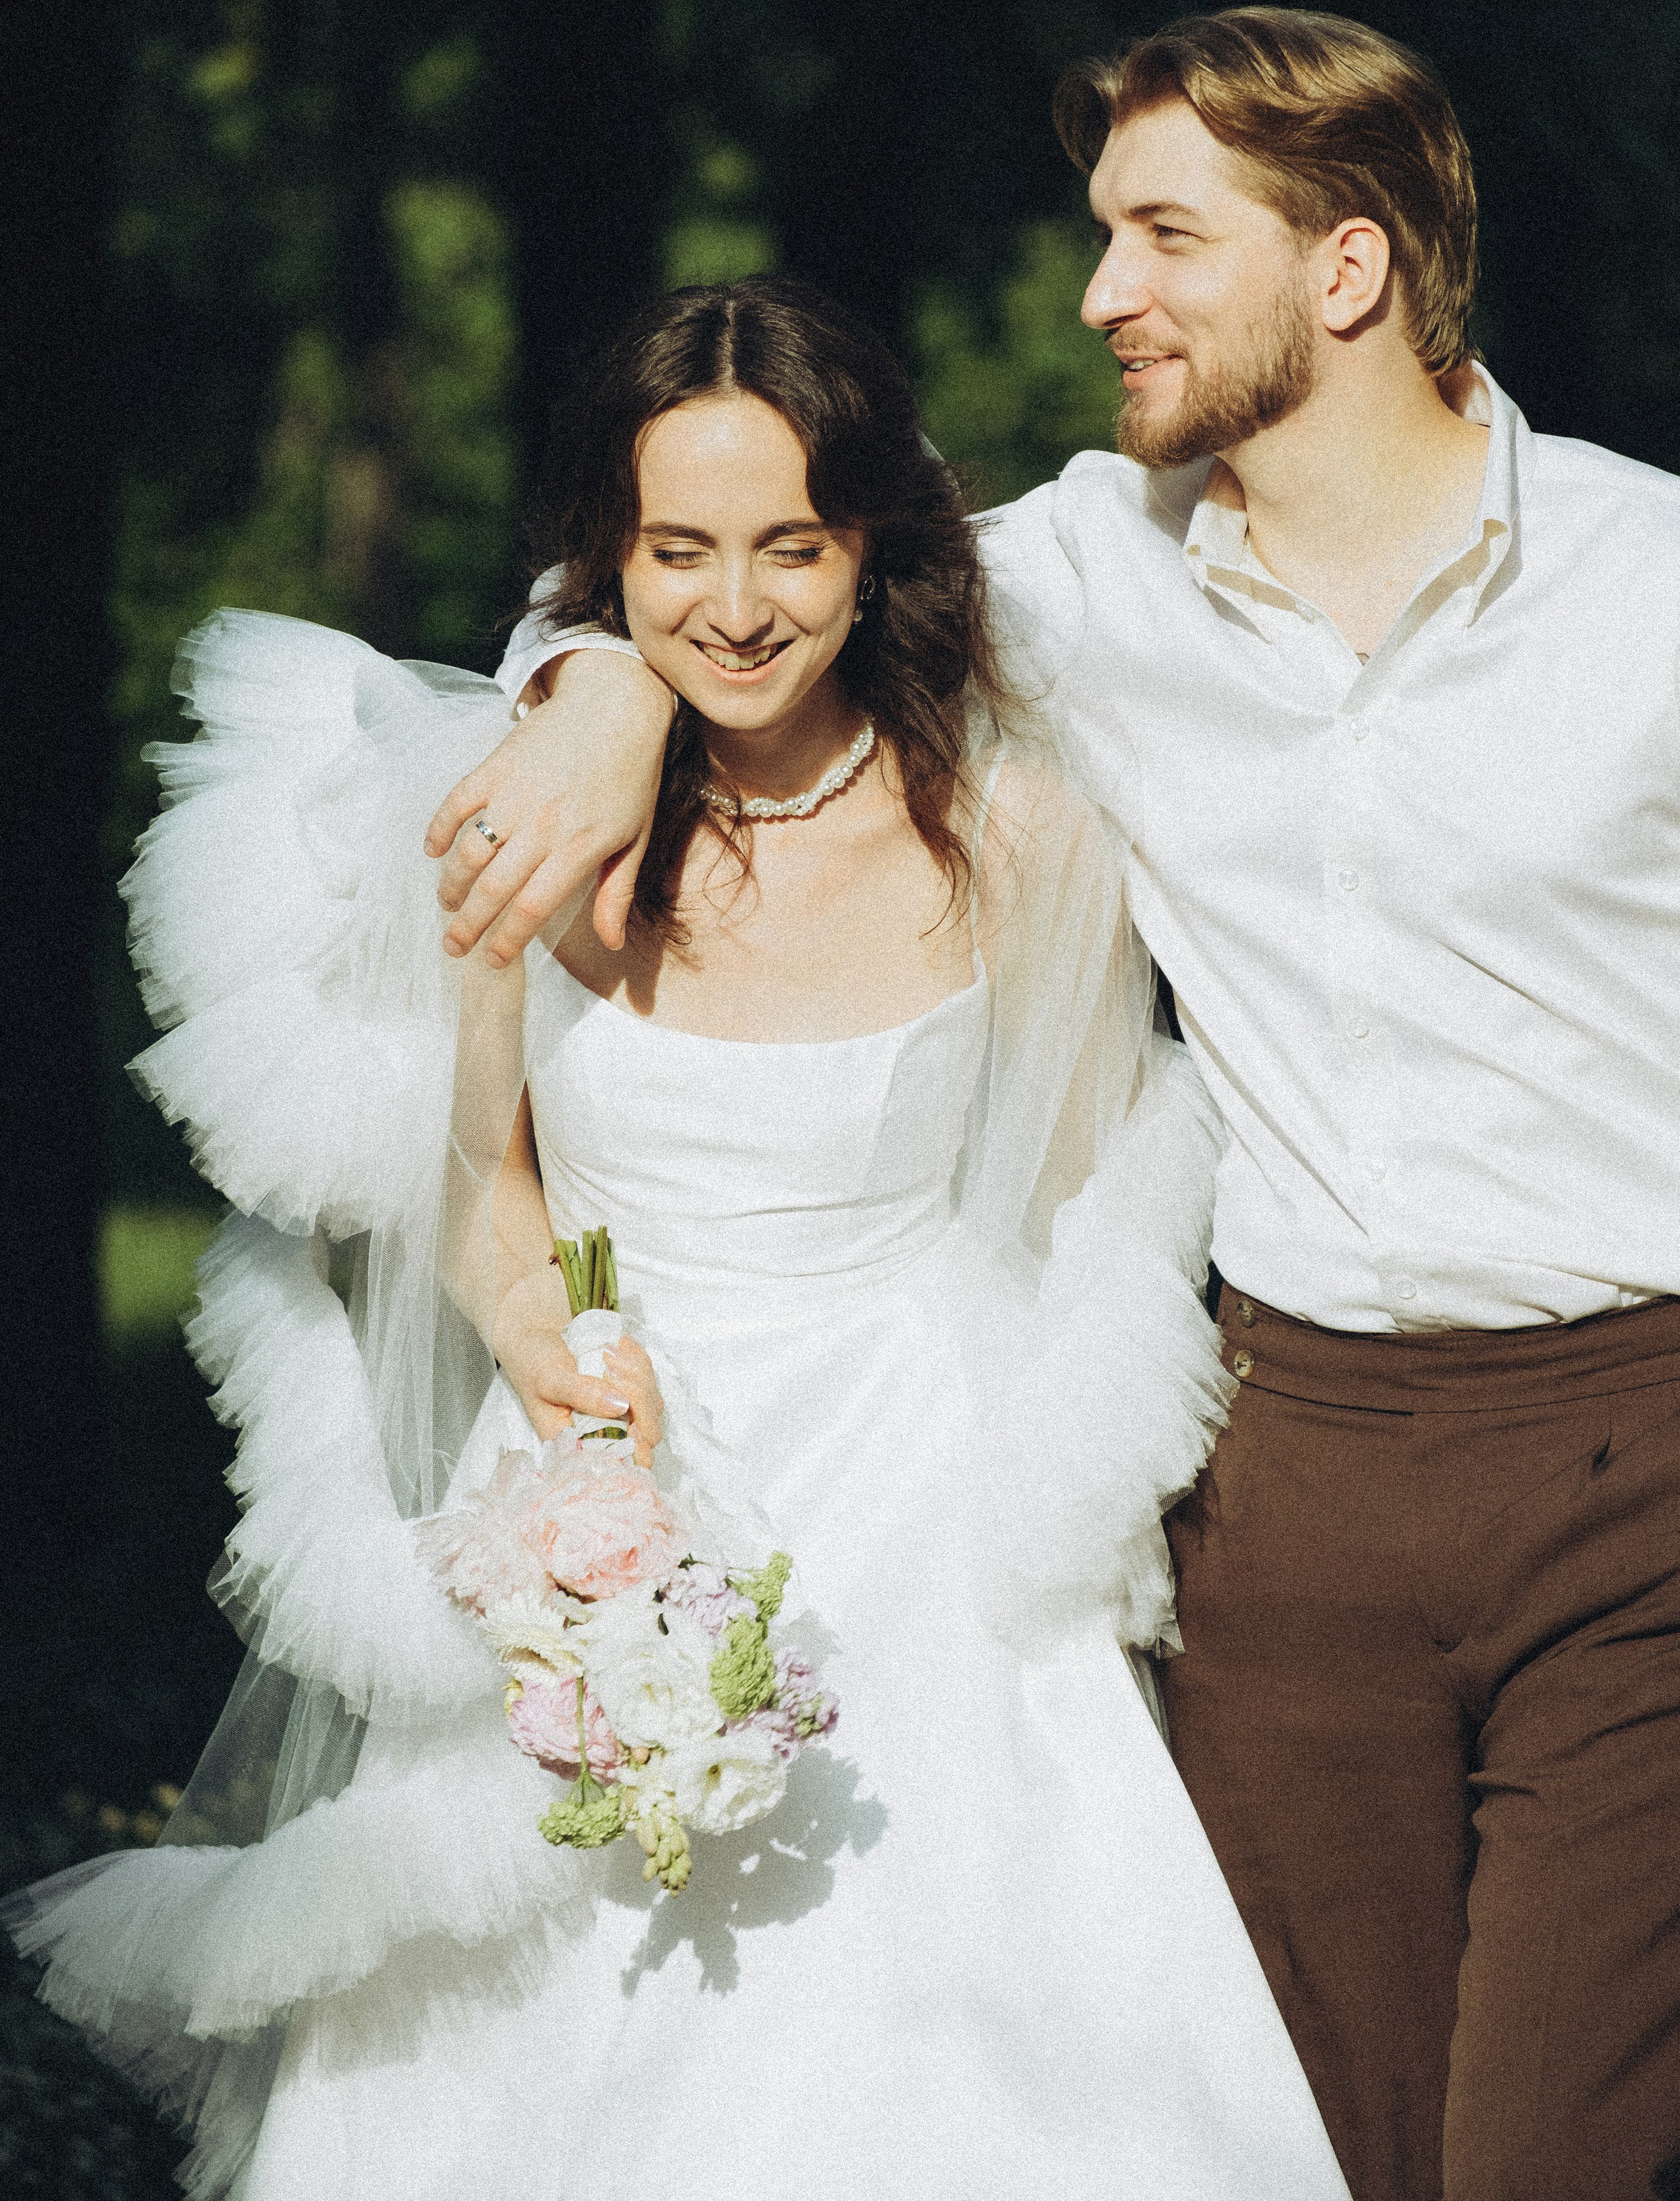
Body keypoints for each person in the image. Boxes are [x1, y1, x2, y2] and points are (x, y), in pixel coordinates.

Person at [441, 11, 1680, 2201]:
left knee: (1545, 2158)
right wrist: (596, 688)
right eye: (1103, 233)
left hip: (1636, 1454)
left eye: (1159, 237)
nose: (1099, 292)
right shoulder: (1083, 573)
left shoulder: (1648, 584)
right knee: (1328, 2149)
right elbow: (752, 571)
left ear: (1351, 265)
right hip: (1288, 1477)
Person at [6, 278, 1349, 2200]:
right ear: (607, 561)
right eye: (679, 551)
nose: (735, 605)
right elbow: (488, 1184)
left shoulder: (1025, 827)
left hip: (922, 1485)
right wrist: (547, 1359)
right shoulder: (529, 831)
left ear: (872, 542)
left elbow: (1086, 1197)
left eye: (793, 545)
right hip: (603, 1470)